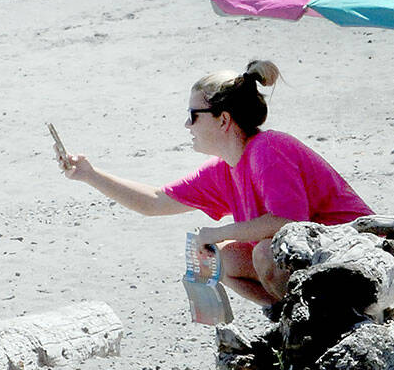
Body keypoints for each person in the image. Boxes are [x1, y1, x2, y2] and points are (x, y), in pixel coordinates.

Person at [59, 60, 373, 307]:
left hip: (359, 255)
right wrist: (90, 174)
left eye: (193, 115)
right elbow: (154, 202)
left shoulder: (269, 149)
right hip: (316, 260)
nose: (186, 125)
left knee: (265, 252)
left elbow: (289, 222)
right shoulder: (224, 170)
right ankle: (287, 323)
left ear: (223, 119)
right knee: (219, 256)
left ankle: (316, 326)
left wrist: (220, 232)